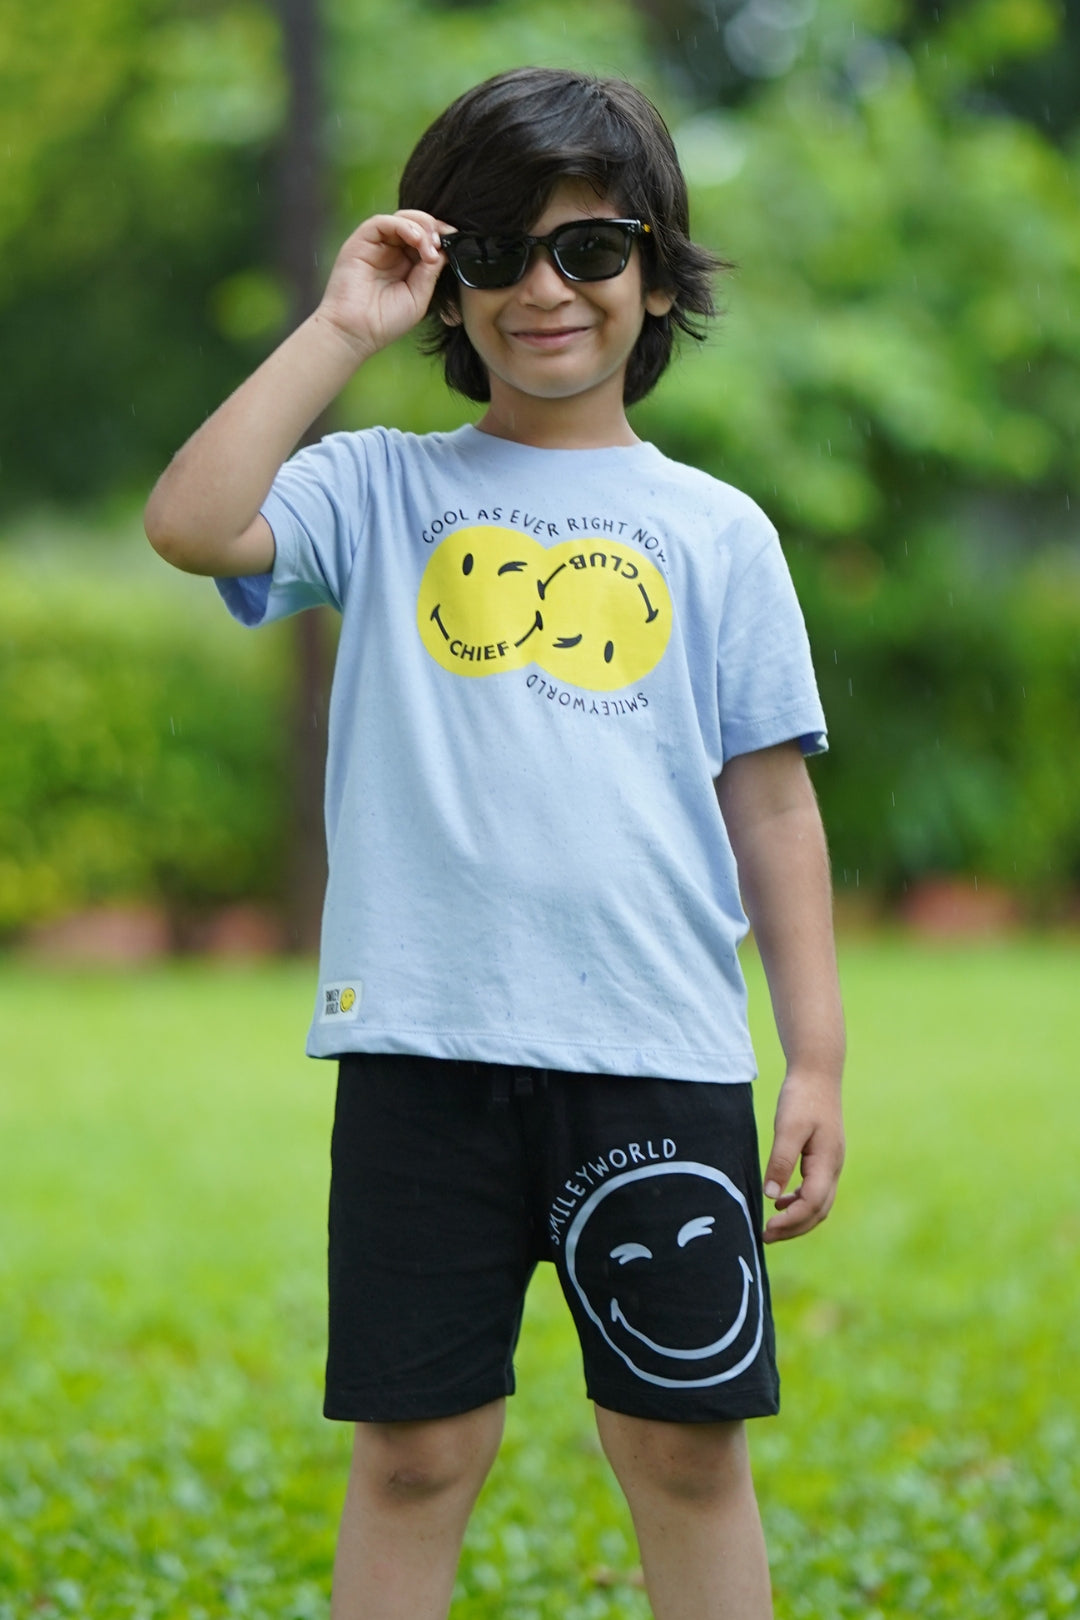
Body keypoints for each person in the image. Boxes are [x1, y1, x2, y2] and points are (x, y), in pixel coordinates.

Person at [145, 66, 845, 1620]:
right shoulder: (377, 487)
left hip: (656, 1051)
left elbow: (772, 801)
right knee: (415, 1455)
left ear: (655, 274)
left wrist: (816, 1057)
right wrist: (340, 328)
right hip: (422, 1052)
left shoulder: (719, 529)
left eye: (589, 249)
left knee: (684, 1452)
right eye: (496, 252)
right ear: (442, 277)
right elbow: (191, 525)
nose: (544, 290)